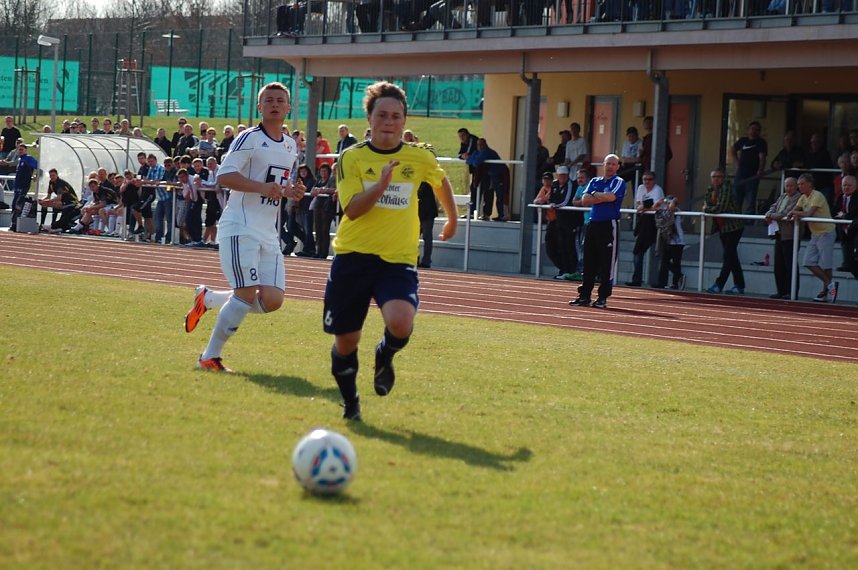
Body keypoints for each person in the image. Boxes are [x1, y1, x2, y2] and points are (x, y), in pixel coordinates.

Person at [324, 80, 458, 421]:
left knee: (400, 322)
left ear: (404, 120)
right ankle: (351, 401)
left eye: (396, 116)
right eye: (382, 114)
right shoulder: (351, 158)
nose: (389, 121)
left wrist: (452, 218)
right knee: (346, 342)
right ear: (369, 118)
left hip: (397, 260)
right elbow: (352, 210)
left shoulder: (418, 156)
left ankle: (385, 354)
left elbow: (439, 179)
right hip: (353, 257)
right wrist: (381, 185)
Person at [183, 81, 304, 372]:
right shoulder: (248, 138)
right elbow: (224, 176)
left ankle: (208, 298)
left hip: (268, 233)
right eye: (269, 100)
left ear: (288, 108)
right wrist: (264, 188)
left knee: (273, 300)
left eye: (280, 100)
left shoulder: (290, 145)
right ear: (259, 107)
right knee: (247, 293)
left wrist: (290, 191)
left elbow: (276, 185)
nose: (274, 104)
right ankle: (209, 357)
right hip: (240, 227)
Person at [568, 154, 625, 309]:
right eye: (608, 164)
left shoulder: (618, 182)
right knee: (589, 261)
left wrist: (594, 195)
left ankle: (602, 297)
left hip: (608, 225)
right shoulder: (594, 181)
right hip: (593, 223)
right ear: (603, 165)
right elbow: (585, 200)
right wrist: (599, 197)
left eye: (614, 164)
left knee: (607, 263)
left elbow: (611, 197)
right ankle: (584, 295)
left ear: (618, 166)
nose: (610, 166)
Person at [788, 173, 838, 303]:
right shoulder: (803, 198)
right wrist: (792, 213)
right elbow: (794, 210)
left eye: (802, 184)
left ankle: (826, 293)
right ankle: (829, 283)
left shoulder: (817, 195)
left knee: (826, 263)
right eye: (798, 184)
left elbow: (809, 213)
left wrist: (795, 213)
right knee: (808, 261)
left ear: (810, 184)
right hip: (815, 233)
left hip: (826, 232)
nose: (800, 187)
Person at [704, 168, 746, 294]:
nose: (716, 179)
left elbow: (721, 207)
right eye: (713, 177)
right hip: (722, 227)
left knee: (728, 256)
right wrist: (709, 208)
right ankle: (739, 285)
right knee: (732, 257)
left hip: (734, 227)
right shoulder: (710, 189)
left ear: (723, 178)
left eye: (718, 176)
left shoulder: (726, 188)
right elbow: (707, 203)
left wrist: (708, 209)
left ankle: (719, 284)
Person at [534, 166, 579, 280]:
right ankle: (563, 268)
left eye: (564, 175)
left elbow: (566, 200)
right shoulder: (554, 185)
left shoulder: (571, 185)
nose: (562, 177)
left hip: (569, 220)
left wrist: (554, 205)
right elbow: (547, 198)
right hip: (556, 220)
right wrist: (542, 201)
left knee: (567, 245)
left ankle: (569, 270)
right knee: (551, 246)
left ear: (567, 175)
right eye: (560, 175)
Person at [763, 176, 802, 299]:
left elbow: (786, 213)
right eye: (787, 186)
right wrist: (769, 213)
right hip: (779, 233)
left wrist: (772, 216)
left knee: (790, 264)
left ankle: (792, 291)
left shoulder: (799, 198)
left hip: (790, 235)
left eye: (791, 186)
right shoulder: (783, 196)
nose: (789, 188)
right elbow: (774, 206)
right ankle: (781, 290)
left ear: (796, 186)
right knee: (778, 264)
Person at [626, 170, 664, 287]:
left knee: (659, 251)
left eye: (650, 179)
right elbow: (638, 205)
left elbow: (655, 207)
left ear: (654, 180)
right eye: (645, 179)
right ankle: (637, 278)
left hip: (655, 222)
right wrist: (645, 207)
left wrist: (644, 208)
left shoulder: (658, 190)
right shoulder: (641, 188)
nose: (647, 182)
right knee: (638, 251)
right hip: (643, 221)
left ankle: (663, 279)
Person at [730, 120, 767, 216]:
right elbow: (732, 149)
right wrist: (737, 162)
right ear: (748, 130)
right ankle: (735, 221)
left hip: (752, 176)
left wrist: (760, 169)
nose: (754, 131)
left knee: (750, 201)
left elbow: (762, 157)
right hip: (740, 175)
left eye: (757, 130)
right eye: (752, 129)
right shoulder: (743, 140)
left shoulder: (761, 142)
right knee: (736, 200)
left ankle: (749, 224)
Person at [467, 137, 509, 221]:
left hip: (501, 174)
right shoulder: (477, 152)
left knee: (501, 194)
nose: (480, 146)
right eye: (478, 144)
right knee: (489, 193)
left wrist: (471, 159)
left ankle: (503, 215)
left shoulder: (487, 152)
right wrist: (471, 159)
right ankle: (495, 214)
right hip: (492, 175)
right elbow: (469, 160)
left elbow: (475, 162)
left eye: (481, 144)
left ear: (485, 144)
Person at [653, 195, 686, 290]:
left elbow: (669, 220)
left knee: (676, 262)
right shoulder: (664, 211)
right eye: (666, 203)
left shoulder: (676, 211)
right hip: (668, 240)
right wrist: (658, 204)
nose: (667, 205)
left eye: (669, 203)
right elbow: (659, 219)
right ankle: (661, 282)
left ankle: (677, 282)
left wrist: (672, 205)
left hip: (678, 241)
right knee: (664, 262)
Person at [310, 162, 336, 259]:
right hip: (318, 206)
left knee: (325, 230)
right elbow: (313, 190)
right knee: (317, 229)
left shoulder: (332, 179)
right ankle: (318, 251)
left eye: (325, 171)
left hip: (327, 207)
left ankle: (324, 252)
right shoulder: (319, 180)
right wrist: (315, 190)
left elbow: (334, 189)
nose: (323, 173)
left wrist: (323, 190)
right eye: (321, 171)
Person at [9, 144, 38, 232]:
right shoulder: (20, 159)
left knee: (18, 204)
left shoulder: (28, 158)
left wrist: (36, 176)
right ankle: (14, 223)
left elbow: (38, 166)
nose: (20, 151)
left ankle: (15, 224)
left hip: (23, 186)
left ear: (25, 150)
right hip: (17, 186)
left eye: (22, 149)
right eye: (19, 150)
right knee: (14, 204)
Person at [834, 175, 857, 274]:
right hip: (843, 227)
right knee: (845, 244)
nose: (846, 188)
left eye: (849, 185)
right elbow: (835, 210)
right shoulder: (840, 197)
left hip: (855, 227)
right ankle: (846, 263)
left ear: (856, 186)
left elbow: (855, 212)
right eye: (844, 185)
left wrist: (845, 215)